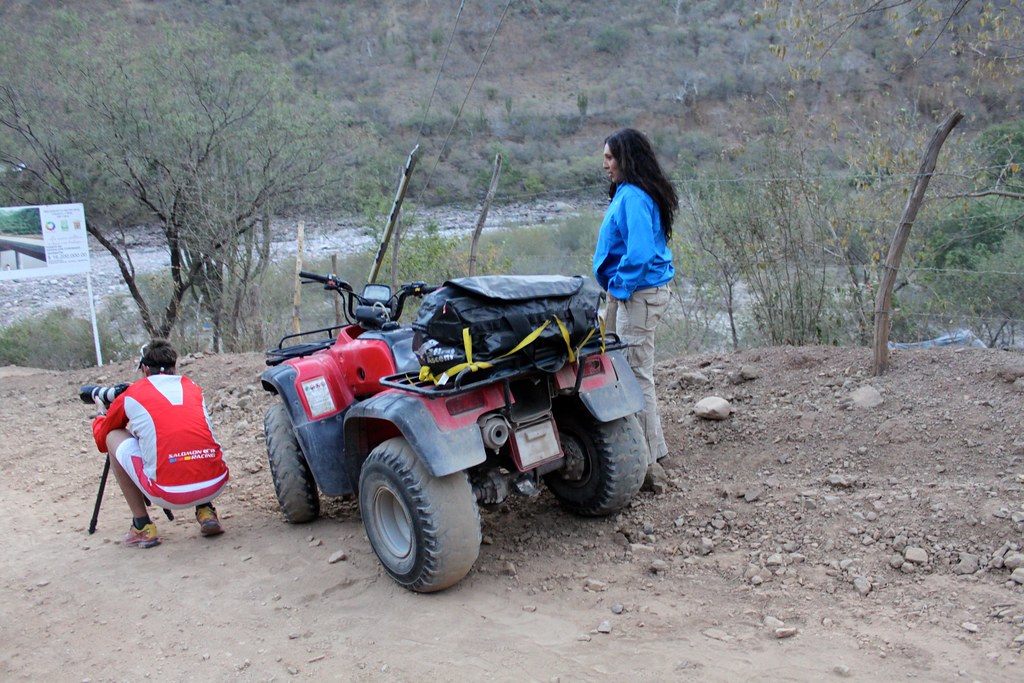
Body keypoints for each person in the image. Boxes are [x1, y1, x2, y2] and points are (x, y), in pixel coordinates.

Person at [593, 127, 678, 472]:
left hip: (638, 295)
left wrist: (619, 285)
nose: (605, 165)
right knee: (631, 369)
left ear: (626, 159)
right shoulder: (631, 193)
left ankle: (646, 463)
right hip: (636, 293)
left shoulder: (632, 197)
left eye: (610, 158)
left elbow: (640, 251)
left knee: (635, 375)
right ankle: (653, 451)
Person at [91, 339, 230, 548]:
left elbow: (103, 439)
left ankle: (142, 526)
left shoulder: (133, 394)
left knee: (113, 436)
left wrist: (101, 412)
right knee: (187, 437)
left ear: (145, 369)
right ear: (174, 367)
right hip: (216, 483)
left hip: (169, 494)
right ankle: (206, 511)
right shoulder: (192, 387)